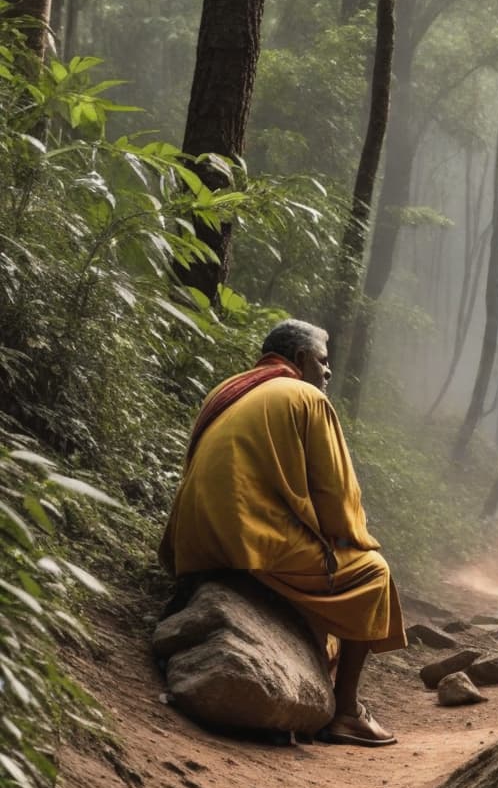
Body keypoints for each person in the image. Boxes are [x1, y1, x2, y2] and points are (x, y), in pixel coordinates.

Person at [159, 319, 406, 747]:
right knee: (374, 573)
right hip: (248, 539)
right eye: (323, 362)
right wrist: (355, 541)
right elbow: (336, 494)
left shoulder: (229, 389)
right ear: (300, 360)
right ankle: (347, 711)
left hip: (190, 541)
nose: (328, 373)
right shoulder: (305, 395)